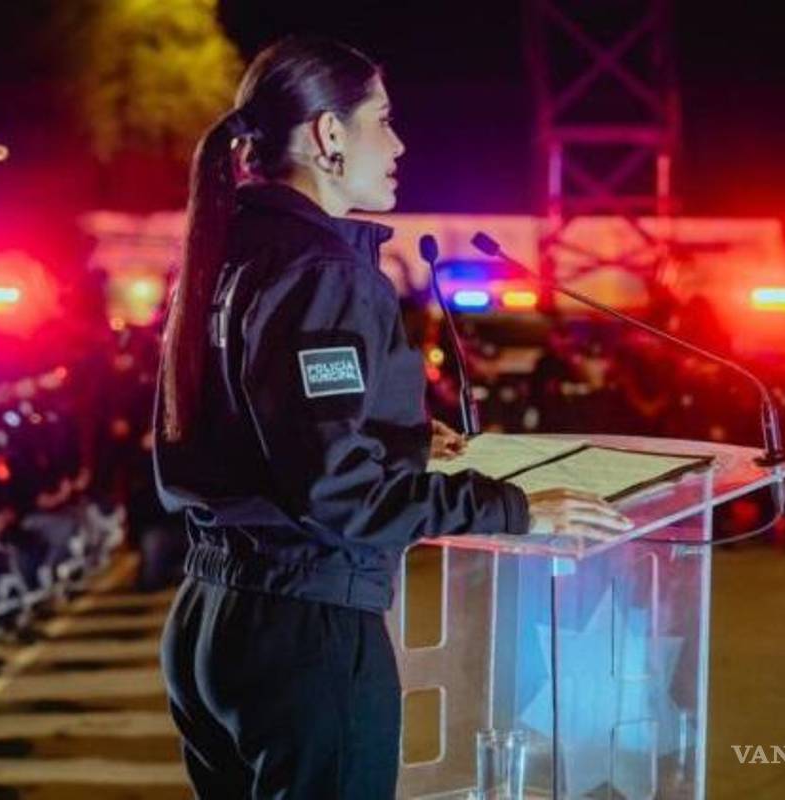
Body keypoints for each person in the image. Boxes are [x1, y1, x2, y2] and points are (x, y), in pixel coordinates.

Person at [153, 36, 632, 799]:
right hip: (304, 627)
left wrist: (401, 443)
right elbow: (332, 492)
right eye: (382, 118)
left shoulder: (234, 249)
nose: (400, 142)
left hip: (213, 619)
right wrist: (511, 508)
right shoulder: (320, 271)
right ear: (328, 136)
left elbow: (267, 433)